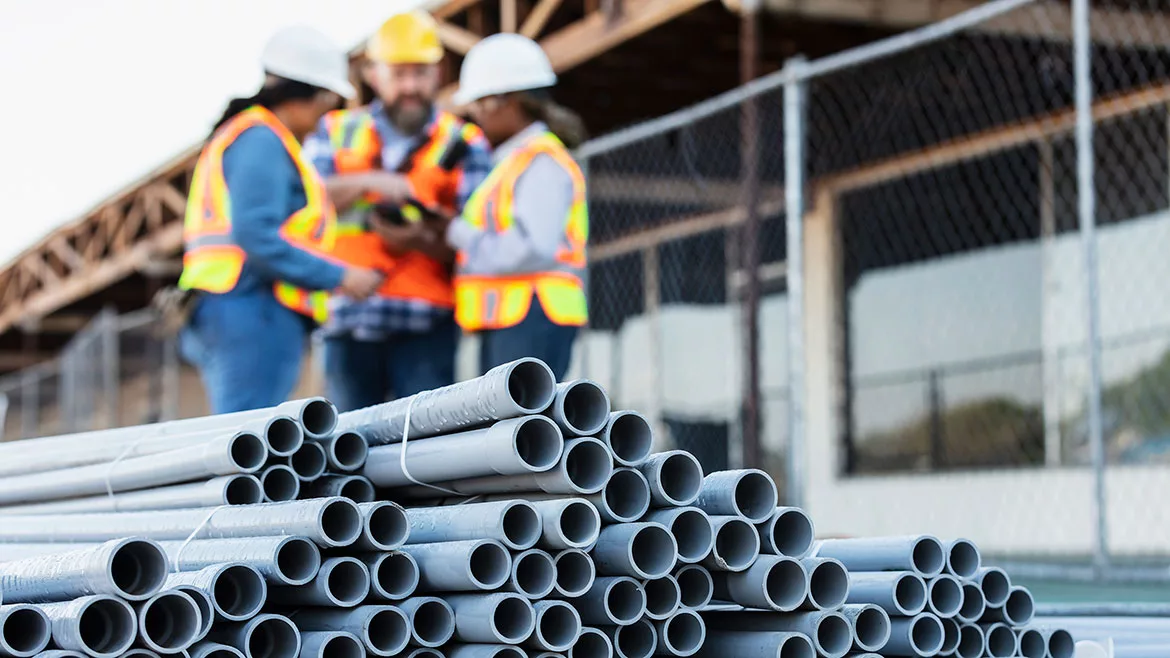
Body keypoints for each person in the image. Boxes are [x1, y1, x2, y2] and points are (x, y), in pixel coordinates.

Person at [178, 26, 384, 414]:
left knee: (249, 438)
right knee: (248, 442)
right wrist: (341, 277)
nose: (329, 116)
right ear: (319, 95)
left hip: (238, 306)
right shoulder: (262, 140)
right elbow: (257, 235)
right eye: (332, 103)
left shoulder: (255, 136)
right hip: (251, 308)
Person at [305, 11, 493, 412]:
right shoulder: (336, 130)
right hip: (348, 320)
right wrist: (374, 183)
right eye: (399, 73)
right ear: (373, 74)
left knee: (424, 450)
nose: (410, 86)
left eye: (420, 73)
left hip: (427, 323)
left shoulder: (465, 142)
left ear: (438, 72)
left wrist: (420, 239)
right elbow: (304, 198)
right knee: (346, 448)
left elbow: (479, 237)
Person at [443, 33, 589, 381]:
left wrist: (459, 234)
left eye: (480, 103)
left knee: (523, 428)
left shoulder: (541, 161)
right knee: (509, 429)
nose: (475, 115)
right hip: (516, 317)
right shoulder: (514, 162)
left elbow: (532, 247)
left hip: (532, 315)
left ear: (507, 101)